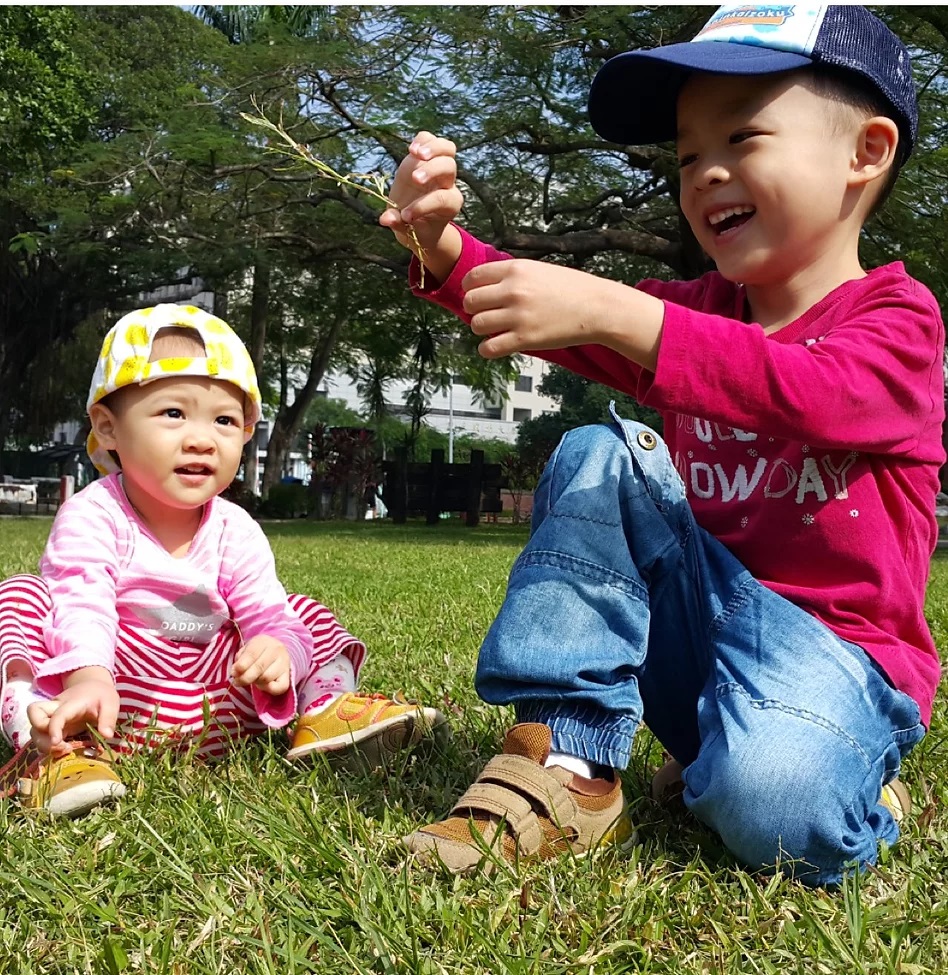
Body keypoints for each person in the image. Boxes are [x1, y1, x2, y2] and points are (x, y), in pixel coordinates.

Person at [379, 4, 944, 885]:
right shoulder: (691, 315)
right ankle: (568, 760)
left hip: (837, 659)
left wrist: (626, 314)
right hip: (700, 633)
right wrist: (439, 243)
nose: (707, 172)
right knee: (601, 458)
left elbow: (821, 392)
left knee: (778, 817)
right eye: (686, 156)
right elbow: (550, 316)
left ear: (864, 153)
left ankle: (846, 780)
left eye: (744, 136)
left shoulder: (899, 320)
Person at [0, 303, 446, 816]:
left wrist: (277, 651)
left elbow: (265, 612)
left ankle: (324, 715)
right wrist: (89, 678)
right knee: (22, 596)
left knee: (299, 615)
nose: (201, 437)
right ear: (108, 427)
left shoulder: (235, 528)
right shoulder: (94, 514)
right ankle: (51, 750)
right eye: (173, 413)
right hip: (108, 703)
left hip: (219, 705)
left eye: (225, 420)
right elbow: (83, 604)